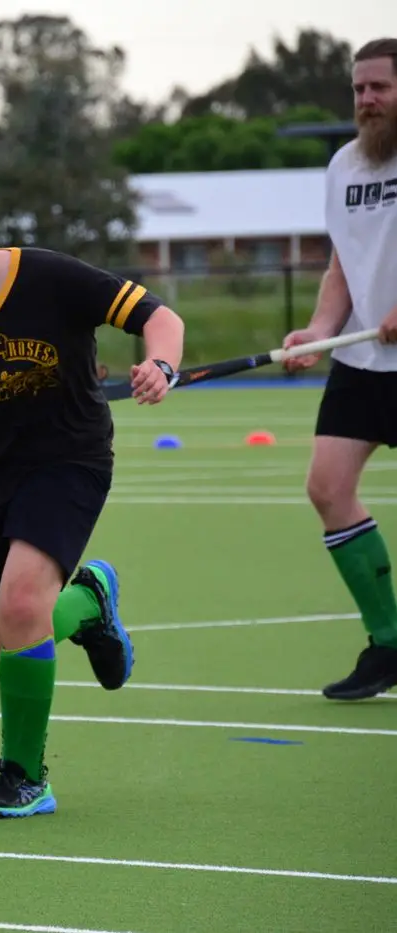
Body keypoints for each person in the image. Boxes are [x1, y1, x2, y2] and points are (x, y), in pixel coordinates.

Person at [0, 176, 186, 819]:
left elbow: (160, 317)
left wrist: (160, 364)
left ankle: (25, 778)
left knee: (22, 607)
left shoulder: (51, 276)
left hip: (66, 460)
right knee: (4, 638)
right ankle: (90, 602)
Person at [281, 37, 397, 701]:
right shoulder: (344, 166)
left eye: (378, 87)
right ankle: (386, 643)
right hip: (361, 359)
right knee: (327, 487)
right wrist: (320, 332)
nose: (365, 100)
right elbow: (340, 265)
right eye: (358, 89)